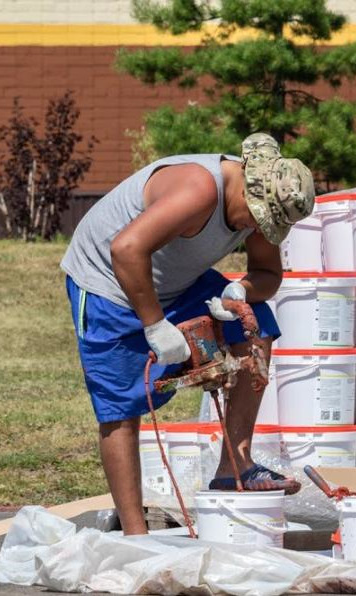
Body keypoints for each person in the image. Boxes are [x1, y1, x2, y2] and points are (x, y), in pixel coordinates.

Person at [60, 133, 315, 535]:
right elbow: (126, 250)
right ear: (248, 187)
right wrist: (155, 325)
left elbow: (268, 275)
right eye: (255, 217)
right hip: (108, 283)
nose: (255, 228)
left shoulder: (264, 204)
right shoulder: (199, 188)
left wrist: (240, 290)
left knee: (256, 323)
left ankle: (235, 466)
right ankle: (134, 535)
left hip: (177, 281)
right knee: (121, 406)